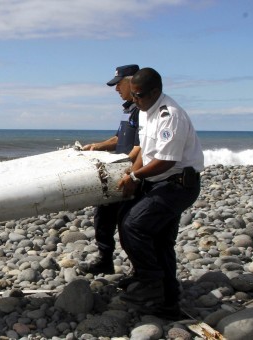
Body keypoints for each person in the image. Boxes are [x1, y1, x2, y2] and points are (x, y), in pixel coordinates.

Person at [117, 68, 204, 319]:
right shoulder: (145, 110)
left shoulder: (170, 116)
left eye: (139, 95)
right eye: (132, 95)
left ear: (156, 92)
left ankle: (150, 283)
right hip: (158, 182)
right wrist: (134, 177)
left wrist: (135, 176)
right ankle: (168, 302)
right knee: (159, 240)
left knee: (134, 225)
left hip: (178, 185)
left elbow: (166, 160)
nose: (134, 100)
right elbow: (146, 149)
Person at [78, 64, 141, 275]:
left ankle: (139, 270)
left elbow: (141, 147)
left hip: (131, 174)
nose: (116, 89)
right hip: (117, 172)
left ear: (133, 82)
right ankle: (105, 259)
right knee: (103, 217)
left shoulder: (142, 110)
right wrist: (96, 146)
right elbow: (118, 139)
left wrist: (130, 173)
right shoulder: (128, 109)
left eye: (119, 84)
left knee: (128, 225)